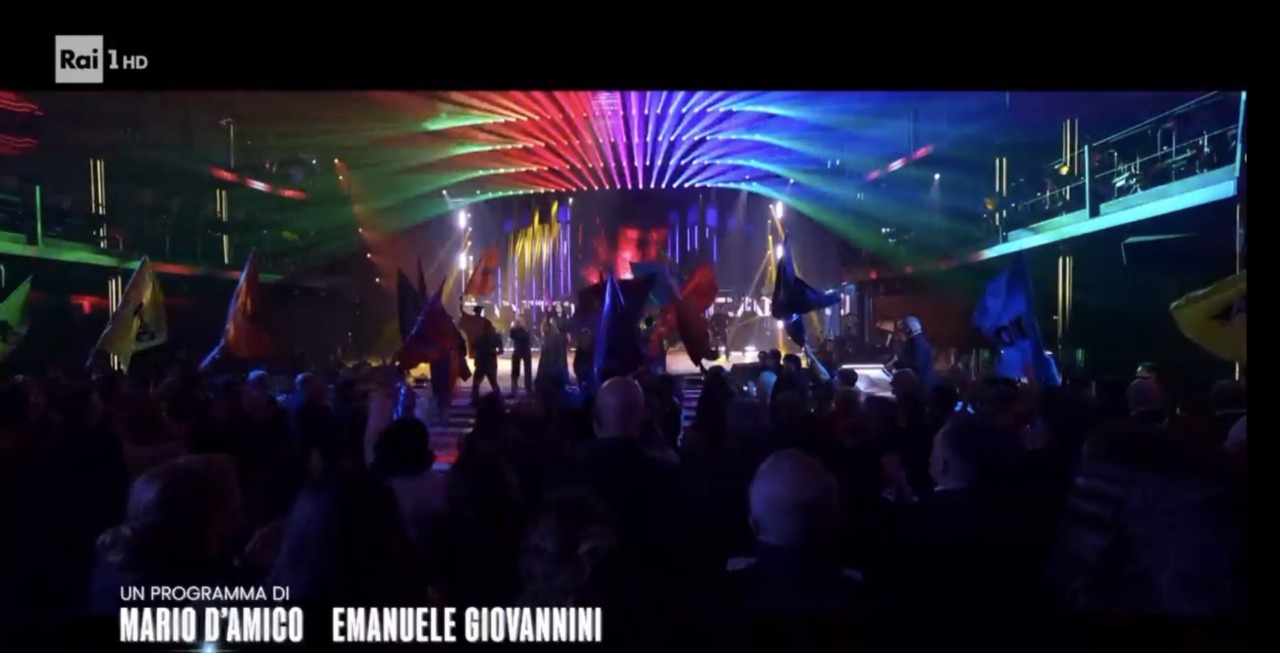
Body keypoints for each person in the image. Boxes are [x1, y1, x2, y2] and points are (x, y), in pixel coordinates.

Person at [892, 316, 934, 388]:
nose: (900, 334)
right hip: (921, 384)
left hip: (921, 386)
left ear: (908, 331)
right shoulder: (918, 340)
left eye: (901, 331)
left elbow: (916, 365)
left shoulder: (918, 343)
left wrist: (898, 365)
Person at [470, 321, 503, 404]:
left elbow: (473, 347)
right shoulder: (493, 337)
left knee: (478, 383)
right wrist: (493, 352)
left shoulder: (482, 337)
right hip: (487, 363)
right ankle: (499, 400)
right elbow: (501, 350)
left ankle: (475, 400)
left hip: (483, 363)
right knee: (491, 382)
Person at [509, 319, 532, 396]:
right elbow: (528, 340)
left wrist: (513, 328)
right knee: (527, 371)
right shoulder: (525, 331)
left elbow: (511, 336)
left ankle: (514, 389)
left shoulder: (516, 331)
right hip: (524, 351)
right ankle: (527, 388)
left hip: (519, 351)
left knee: (516, 371)